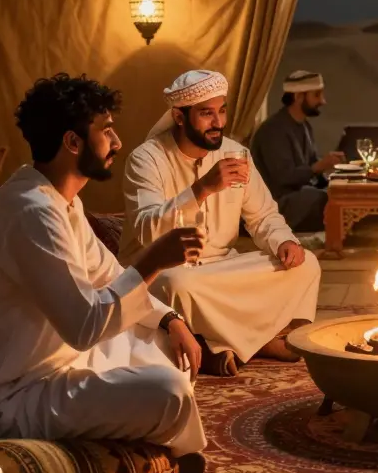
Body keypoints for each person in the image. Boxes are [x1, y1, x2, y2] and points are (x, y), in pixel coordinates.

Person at [0, 73, 208, 473]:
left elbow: (109, 275)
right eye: (106, 131)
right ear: (73, 142)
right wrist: (154, 259)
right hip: (4, 394)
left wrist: (171, 320)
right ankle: (171, 466)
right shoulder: (32, 212)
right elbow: (84, 328)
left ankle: (148, 435)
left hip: (51, 358)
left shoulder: (61, 200)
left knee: (168, 343)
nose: (117, 142)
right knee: (168, 391)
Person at [121, 70, 321, 377]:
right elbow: (148, 232)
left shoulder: (235, 154)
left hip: (222, 269)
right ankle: (255, 340)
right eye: (206, 113)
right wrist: (201, 189)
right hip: (167, 270)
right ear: (179, 117)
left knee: (305, 264)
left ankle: (227, 342)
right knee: (179, 285)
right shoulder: (146, 159)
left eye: (222, 111)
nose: (218, 122)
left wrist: (283, 241)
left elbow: (263, 216)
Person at [250, 70, 345, 232]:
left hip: (300, 195)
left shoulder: (304, 126)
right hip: (276, 203)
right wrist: (318, 167)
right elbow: (283, 178)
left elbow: (311, 167)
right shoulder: (273, 130)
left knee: (340, 194)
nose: (323, 101)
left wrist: (334, 178)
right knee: (324, 200)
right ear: (298, 97)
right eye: (317, 95)